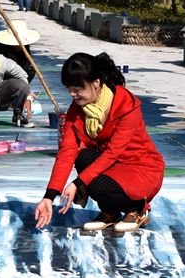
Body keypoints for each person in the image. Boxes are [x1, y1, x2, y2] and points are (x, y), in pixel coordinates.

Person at [34, 52, 164, 233]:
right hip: (113, 166)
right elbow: (67, 151)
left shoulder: (125, 104)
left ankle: (137, 209)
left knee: (94, 183)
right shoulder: (77, 109)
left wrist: (78, 183)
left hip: (140, 169)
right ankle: (110, 212)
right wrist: (49, 196)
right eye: (69, 88)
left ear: (96, 82)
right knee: (82, 157)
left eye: (78, 88)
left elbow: (113, 153)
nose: (73, 94)